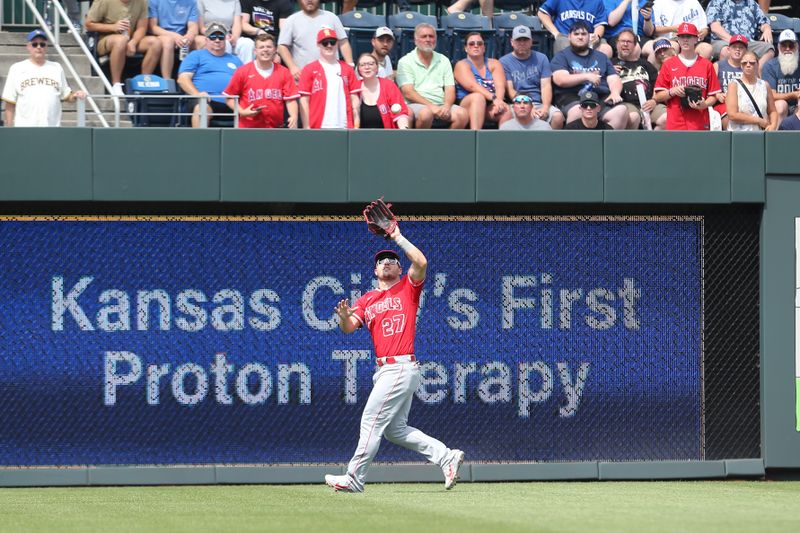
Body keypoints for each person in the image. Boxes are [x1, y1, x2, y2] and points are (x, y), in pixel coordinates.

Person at [323, 226, 465, 493]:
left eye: (392, 261)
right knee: (394, 430)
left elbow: (421, 261)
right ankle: (446, 456)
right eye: (381, 262)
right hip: (386, 370)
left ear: (400, 269)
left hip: (400, 366)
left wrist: (396, 236)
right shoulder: (367, 299)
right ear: (375, 272)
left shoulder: (407, 288)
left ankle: (354, 477)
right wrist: (343, 317)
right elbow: (349, 327)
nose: (386, 263)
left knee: (370, 420)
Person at [551, 20, 628, 130]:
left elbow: (613, 78)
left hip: (599, 96)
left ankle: (608, 146)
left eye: (584, 34)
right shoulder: (562, 56)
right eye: (576, 34)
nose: (580, 37)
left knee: (621, 111)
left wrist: (615, 92)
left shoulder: (601, 57)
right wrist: (587, 76)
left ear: (589, 36)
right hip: (572, 96)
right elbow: (560, 79)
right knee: (578, 111)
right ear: (569, 37)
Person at [2, 29, 86, 127]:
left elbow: (67, 96)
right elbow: (10, 102)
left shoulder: (56, 68)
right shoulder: (16, 68)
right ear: (28, 47)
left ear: (46, 47)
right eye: (34, 44)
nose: (38, 47)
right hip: (24, 129)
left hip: (51, 128)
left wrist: (76, 95)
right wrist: (9, 129)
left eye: (42, 44)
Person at [396, 23, 469, 129]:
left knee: (462, 114)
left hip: (441, 104)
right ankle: (422, 145)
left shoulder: (443, 60)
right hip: (415, 104)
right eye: (424, 36)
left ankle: (445, 144)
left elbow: (450, 89)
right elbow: (408, 93)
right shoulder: (405, 61)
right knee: (426, 114)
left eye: (431, 36)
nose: (428, 39)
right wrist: (431, 107)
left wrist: (447, 106)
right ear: (416, 41)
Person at [84, 0, 162, 95]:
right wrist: (113, 27)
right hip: (106, 39)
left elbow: (142, 27)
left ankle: (144, 81)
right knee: (121, 41)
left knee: (155, 43)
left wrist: (133, 42)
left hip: (131, 38)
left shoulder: (142, 2)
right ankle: (116, 84)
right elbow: (88, 24)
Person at [653, 22, 721, 130]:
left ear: (696, 39)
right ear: (678, 40)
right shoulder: (668, 64)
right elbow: (657, 96)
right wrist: (672, 91)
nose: (685, 40)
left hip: (699, 122)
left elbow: (713, 95)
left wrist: (704, 104)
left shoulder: (707, 65)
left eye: (689, 36)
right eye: (682, 37)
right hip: (676, 122)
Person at [223, 33, 298, 128]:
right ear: (255, 51)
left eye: (269, 47)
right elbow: (229, 97)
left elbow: (290, 99)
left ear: (275, 50)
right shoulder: (243, 71)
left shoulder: (284, 72)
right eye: (261, 47)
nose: (265, 50)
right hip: (248, 128)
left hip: (275, 128)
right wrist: (242, 111)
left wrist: (294, 115)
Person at [177, 22, 242, 127]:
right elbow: (183, 79)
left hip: (232, 102)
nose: (217, 40)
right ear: (206, 40)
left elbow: (245, 82)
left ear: (225, 40)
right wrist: (198, 94)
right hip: (206, 100)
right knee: (202, 108)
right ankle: (199, 142)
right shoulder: (196, 55)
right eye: (213, 37)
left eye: (221, 37)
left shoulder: (235, 60)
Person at [499, 25, 565, 130]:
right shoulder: (504, 61)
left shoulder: (541, 58)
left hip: (539, 103)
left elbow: (546, 86)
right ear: (512, 42)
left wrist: (546, 108)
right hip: (517, 103)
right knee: (505, 116)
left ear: (531, 42)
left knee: (558, 117)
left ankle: (552, 145)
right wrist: (529, 106)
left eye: (525, 40)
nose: (522, 43)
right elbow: (510, 90)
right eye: (518, 40)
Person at [298, 28, 361, 129]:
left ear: (337, 44)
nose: (329, 45)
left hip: (344, 125)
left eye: (332, 42)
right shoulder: (309, 69)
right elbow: (304, 100)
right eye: (325, 43)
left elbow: (355, 99)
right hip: (318, 126)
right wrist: (307, 126)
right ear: (318, 44)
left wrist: (356, 124)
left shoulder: (347, 69)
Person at [277, 0, 353, 82]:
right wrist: (292, 67)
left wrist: (350, 65)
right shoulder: (291, 20)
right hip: (303, 78)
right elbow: (282, 46)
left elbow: (343, 42)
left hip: (331, 77)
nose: (309, 0)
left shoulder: (332, 17)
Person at [453, 32, 511, 130]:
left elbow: (500, 86)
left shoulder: (494, 63)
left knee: (506, 111)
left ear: (484, 47)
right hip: (467, 104)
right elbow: (472, 86)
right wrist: (494, 99)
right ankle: (476, 138)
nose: (476, 46)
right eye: (471, 44)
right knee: (478, 98)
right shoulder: (462, 65)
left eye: (479, 43)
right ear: (466, 48)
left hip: (490, 104)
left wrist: (499, 102)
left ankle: (502, 141)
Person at [612, 28, 665, 129]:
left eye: (629, 42)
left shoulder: (646, 65)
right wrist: (610, 73)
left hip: (649, 103)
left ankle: (656, 143)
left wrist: (654, 100)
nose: (625, 44)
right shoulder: (610, 64)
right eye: (622, 41)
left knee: (666, 118)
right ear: (617, 44)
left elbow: (657, 85)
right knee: (633, 117)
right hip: (625, 104)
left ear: (635, 45)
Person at [706, 0, 773, 70]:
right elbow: (715, 27)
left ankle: (756, 76)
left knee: (768, 49)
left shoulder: (751, 3)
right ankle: (726, 79)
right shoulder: (716, 2)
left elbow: (763, 21)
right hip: (723, 41)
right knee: (726, 50)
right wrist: (735, 41)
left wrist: (767, 29)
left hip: (748, 43)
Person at [538, 0, 613, 57]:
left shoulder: (596, 1)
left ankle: (597, 75)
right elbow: (542, 13)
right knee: (565, 46)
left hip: (588, 36)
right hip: (566, 36)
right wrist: (556, 33)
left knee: (606, 49)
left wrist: (596, 35)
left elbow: (600, 24)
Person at [644, 0, 712, 62]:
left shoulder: (694, 2)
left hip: (693, 40)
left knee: (706, 49)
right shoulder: (658, 3)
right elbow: (653, 30)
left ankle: (697, 74)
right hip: (670, 39)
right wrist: (672, 28)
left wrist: (704, 31)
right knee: (672, 47)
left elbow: (704, 27)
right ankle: (674, 74)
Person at [726, 50, 778, 131]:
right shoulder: (734, 85)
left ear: (757, 64)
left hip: (760, 134)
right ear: (741, 65)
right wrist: (758, 120)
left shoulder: (765, 85)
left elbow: (772, 111)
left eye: (752, 63)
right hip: (739, 134)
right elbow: (732, 114)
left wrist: (773, 125)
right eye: (744, 63)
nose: (748, 65)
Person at [148, 0, 199, 79]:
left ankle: (201, 80)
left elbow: (193, 26)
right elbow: (153, 28)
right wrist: (174, 36)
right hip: (162, 34)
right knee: (168, 41)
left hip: (183, 36)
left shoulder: (191, 2)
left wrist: (189, 35)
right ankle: (167, 81)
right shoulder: (154, 1)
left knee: (202, 41)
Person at [356, 53, 410, 129]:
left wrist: (404, 130)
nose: (367, 67)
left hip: (386, 136)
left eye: (371, 64)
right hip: (359, 137)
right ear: (358, 69)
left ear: (377, 68)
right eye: (362, 65)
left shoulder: (388, 85)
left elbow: (401, 113)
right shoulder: (354, 88)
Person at [762, 30, 800, 123]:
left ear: (797, 47)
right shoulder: (770, 66)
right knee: (781, 105)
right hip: (778, 108)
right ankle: (777, 137)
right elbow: (771, 96)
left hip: (798, 106)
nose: (787, 49)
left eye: (791, 45)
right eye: (784, 45)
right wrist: (793, 95)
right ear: (778, 47)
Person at [713, 34, 748, 129]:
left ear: (746, 51)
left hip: (744, 104)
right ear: (728, 49)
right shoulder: (718, 65)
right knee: (729, 117)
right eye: (734, 47)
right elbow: (709, 87)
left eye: (741, 47)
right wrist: (717, 94)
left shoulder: (749, 67)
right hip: (723, 103)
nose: (737, 49)